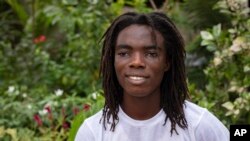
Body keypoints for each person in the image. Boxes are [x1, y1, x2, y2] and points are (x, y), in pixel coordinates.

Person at [75, 12, 229, 141]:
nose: (137, 62)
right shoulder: (93, 133)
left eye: (151, 54)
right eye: (124, 53)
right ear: (113, 60)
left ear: (167, 62)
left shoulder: (199, 124)